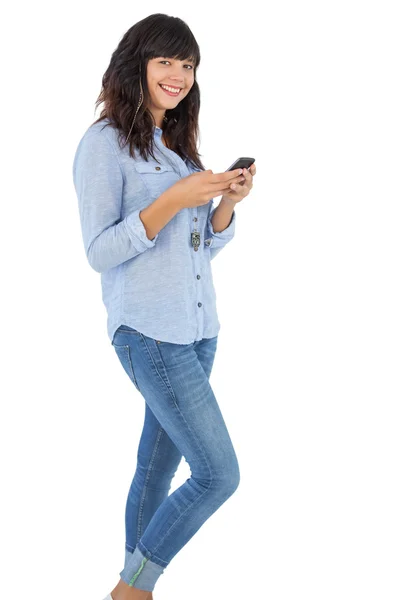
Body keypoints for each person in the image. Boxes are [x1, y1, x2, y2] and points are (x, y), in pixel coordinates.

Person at [72, 13, 256, 600]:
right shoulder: (102, 145)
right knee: (219, 474)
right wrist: (174, 200)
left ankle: (132, 583)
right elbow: (100, 251)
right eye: (166, 62)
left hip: (199, 329)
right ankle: (133, 588)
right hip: (150, 331)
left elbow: (200, 243)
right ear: (138, 65)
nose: (178, 75)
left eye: (188, 64)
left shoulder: (176, 145)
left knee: (157, 471)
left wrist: (225, 203)